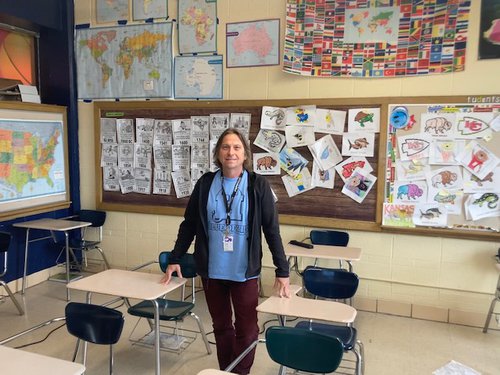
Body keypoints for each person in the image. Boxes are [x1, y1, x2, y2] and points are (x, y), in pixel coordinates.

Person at [161, 128, 290, 374]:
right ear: (218, 154)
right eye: (225, 147)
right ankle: (225, 371)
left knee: (248, 329)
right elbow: (189, 224)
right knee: (221, 326)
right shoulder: (206, 183)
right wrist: (175, 257)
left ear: (245, 155)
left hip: (244, 272)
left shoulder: (258, 185)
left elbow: (272, 231)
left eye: (237, 147)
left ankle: (238, 372)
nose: (231, 152)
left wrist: (282, 270)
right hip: (212, 271)